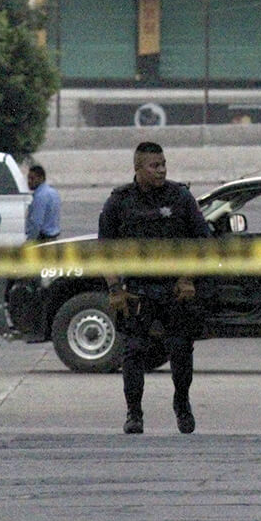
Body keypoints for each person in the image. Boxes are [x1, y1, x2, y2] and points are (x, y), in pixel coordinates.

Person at [98, 141, 210, 435]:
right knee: (133, 351)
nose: (161, 170)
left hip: (175, 288)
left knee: (181, 350)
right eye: (154, 165)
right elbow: (104, 251)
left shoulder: (181, 196)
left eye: (163, 164)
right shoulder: (119, 201)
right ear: (138, 168)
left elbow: (203, 243)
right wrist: (114, 289)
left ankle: (182, 403)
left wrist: (188, 278)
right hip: (137, 290)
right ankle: (134, 413)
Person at [25, 165, 62, 242]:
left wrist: (30, 241)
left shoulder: (40, 196)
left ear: (41, 178)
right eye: (28, 178)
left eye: (32, 178)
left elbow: (36, 223)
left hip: (42, 239)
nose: (29, 181)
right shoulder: (53, 192)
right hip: (53, 237)